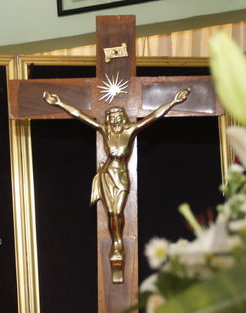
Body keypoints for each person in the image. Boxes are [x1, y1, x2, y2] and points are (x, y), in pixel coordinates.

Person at [43, 88, 190, 281]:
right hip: (108, 174)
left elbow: (154, 116)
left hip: (121, 175)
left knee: (118, 211)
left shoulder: (131, 130)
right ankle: (117, 243)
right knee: (111, 212)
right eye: (111, 119)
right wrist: (59, 102)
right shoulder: (105, 130)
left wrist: (173, 101)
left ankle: (118, 241)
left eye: (116, 118)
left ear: (122, 118)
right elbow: (80, 115)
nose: (113, 122)